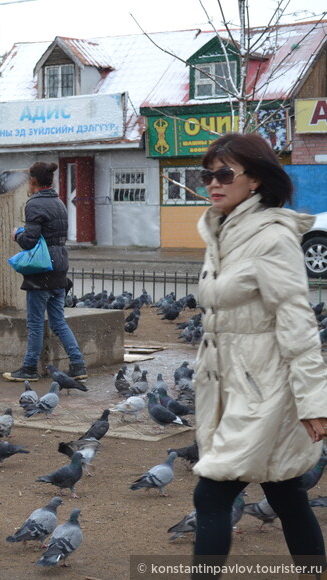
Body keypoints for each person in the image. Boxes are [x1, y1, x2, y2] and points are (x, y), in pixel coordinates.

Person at [192, 132, 327, 578]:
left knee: (210, 497)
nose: (214, 182)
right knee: (286, 492)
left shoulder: (272, 238)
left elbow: (297, 322)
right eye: (208, 174)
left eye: (225, 173)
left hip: (263, 390)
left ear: (255, 181)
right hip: (227, 384)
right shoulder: (222, 231)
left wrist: (313, 402)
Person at [3, 161, 86, 382]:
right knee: (59, 321)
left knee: (36, 323)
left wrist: (17, 235)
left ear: (32, 181)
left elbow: (30, 241)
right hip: (60, 266)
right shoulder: (59, 203)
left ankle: (29, 368)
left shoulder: (34, 204)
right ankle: (78, 365)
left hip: (42, 269)